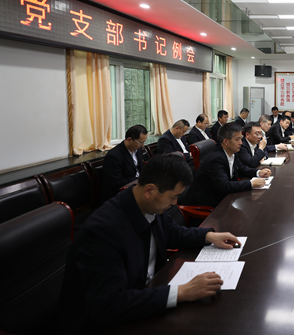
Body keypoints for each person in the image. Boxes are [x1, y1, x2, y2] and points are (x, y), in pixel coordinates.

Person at [59, 155, 241, 333]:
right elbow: (109, 305)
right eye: (173, 197)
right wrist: (182, 292)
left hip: (148, 294)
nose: (175, 203)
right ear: (150, 190)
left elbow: (172, 232)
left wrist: (209, 236)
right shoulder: (103, 231)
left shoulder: (149, 205)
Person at [182, 123, 271, 208]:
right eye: (237, 139)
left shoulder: (232, 151)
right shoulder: (216, 159)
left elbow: (241, 168)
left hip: (223, 196)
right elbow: (224, 186)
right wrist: (251, 183)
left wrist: (258, 172)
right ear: (226, 141)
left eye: (241, 139)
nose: (241, 142)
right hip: (206, 202)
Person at [101, 124, 148, 201]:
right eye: (141, 142)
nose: (143, 145)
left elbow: (141, 168)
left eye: (144, 142)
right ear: (129, 140)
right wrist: (139, 179)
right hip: (122, 193)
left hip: (138, 185)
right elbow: (116, 183)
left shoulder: (138, 149)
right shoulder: (114, 156)